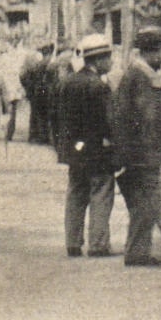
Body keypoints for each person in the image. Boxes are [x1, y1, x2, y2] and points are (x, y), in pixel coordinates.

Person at [112, 27, 161, 267]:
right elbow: (149, 117)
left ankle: (138, 250)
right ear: (151, 51)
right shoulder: (140, 78)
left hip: (141, 152)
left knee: (147, 203)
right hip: (142, 154)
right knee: (147, 203)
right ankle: (137, 252)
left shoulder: (140, 76)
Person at [57, 34, 117, 258]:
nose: (110, 62)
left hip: (74, 150)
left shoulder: (68, 82)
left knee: (75, 193)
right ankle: (98, 244)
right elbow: (108, 121)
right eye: (108, 57)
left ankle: (72, 242)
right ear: (98, 60)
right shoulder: (99, 87)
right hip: (97, 150)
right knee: (101, 193)